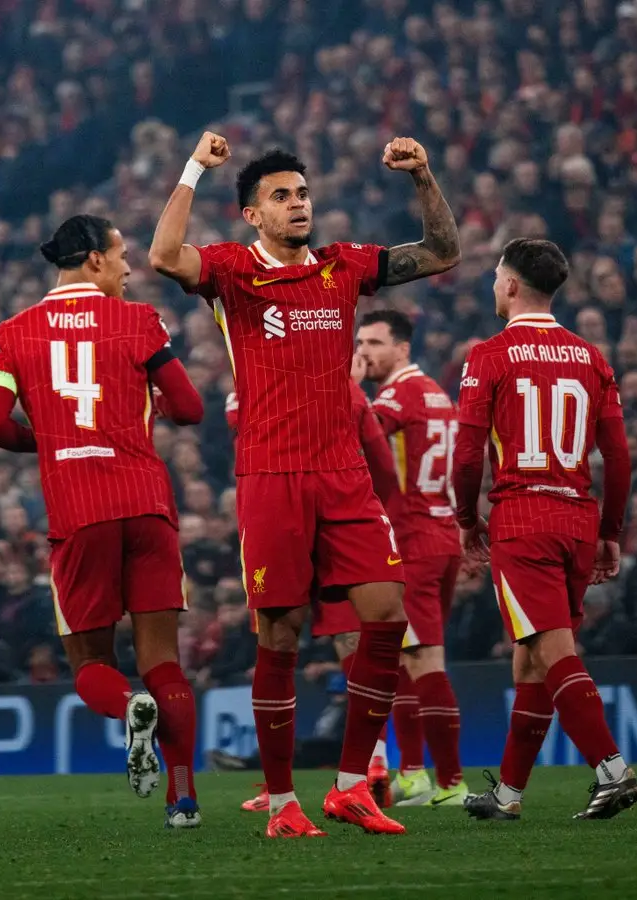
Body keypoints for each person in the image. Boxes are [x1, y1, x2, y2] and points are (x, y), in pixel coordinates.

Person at [149, 131, 460, 837]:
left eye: (302, 194)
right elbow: (164, 256)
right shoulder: (231, 271)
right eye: (281, 197)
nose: (298, 205)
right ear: (252, 215)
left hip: (344, 477)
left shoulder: (343, 267)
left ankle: (352, 785)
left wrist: (424, 175)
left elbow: (443, 252)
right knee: (282, 637)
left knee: (386, 616)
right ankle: (284, 801)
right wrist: (196, 167)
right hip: (272, 475)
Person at [0, 214, 205, 829]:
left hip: (78, 513)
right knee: (164, 661)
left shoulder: (12, 333)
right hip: (146, 504)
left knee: (90, 664)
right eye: (123, 255)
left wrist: (52, 443)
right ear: (95, 260)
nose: (131, 268)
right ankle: (182, 801)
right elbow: (189, 407)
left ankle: (129, 706)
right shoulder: (138, 321)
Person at [453, 238, 637, 820]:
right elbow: (619, 456)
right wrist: (611, 531)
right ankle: (509, 795)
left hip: (524, 518)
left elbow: (465, 456)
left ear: (510, 286)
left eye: (494, 276)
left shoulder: (489, 355)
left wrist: (465, 519)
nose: (492, 285)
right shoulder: (592, 357)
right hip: (578, 518)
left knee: (552, 649)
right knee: (529, 658)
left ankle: (612, 768)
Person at [226, 356, 401, 813]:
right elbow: (384, 470)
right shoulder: (348, 391)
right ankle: (371, 766)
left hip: (284, 503)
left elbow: (233, 420)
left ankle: (291, 786)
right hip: (335, 512)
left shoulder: (259, 378)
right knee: (353, 640)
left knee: (284, 636)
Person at [357, 309, 467, 808]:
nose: (364, 352)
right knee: (404, 658)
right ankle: (416, 774)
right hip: (440, 536)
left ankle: (451, 782)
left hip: (416, 542)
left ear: (402, 348)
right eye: (360, 342)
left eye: (375, 343)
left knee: (424, 660)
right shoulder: (438, 394)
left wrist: (349, 389)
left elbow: (360, 435)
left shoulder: (397, 394)